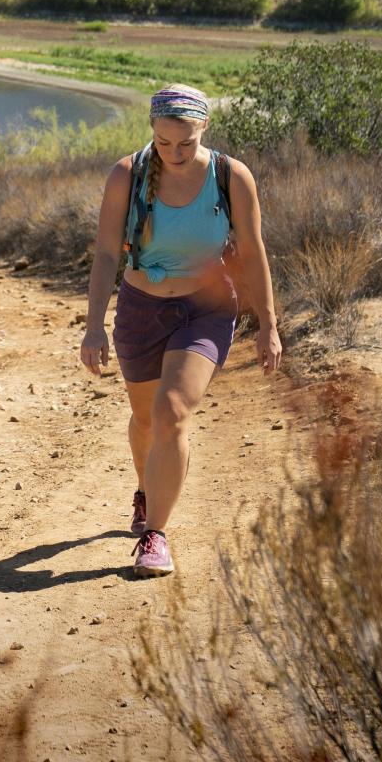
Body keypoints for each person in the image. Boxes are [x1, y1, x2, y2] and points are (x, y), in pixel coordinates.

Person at [79, 83, 282, 577]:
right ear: (152, 130)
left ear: (204, 128)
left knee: (171, 413)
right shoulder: (127, 174)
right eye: (164, 142)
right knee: (145, 420)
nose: (174, 152)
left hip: (207, 308)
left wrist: (269, 325)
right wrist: (93, 326)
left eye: (185, 143)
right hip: (140, 308)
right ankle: (147, 493)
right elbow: (107, 254)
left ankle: (155, 537)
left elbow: (253, 254)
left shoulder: (230, 176)